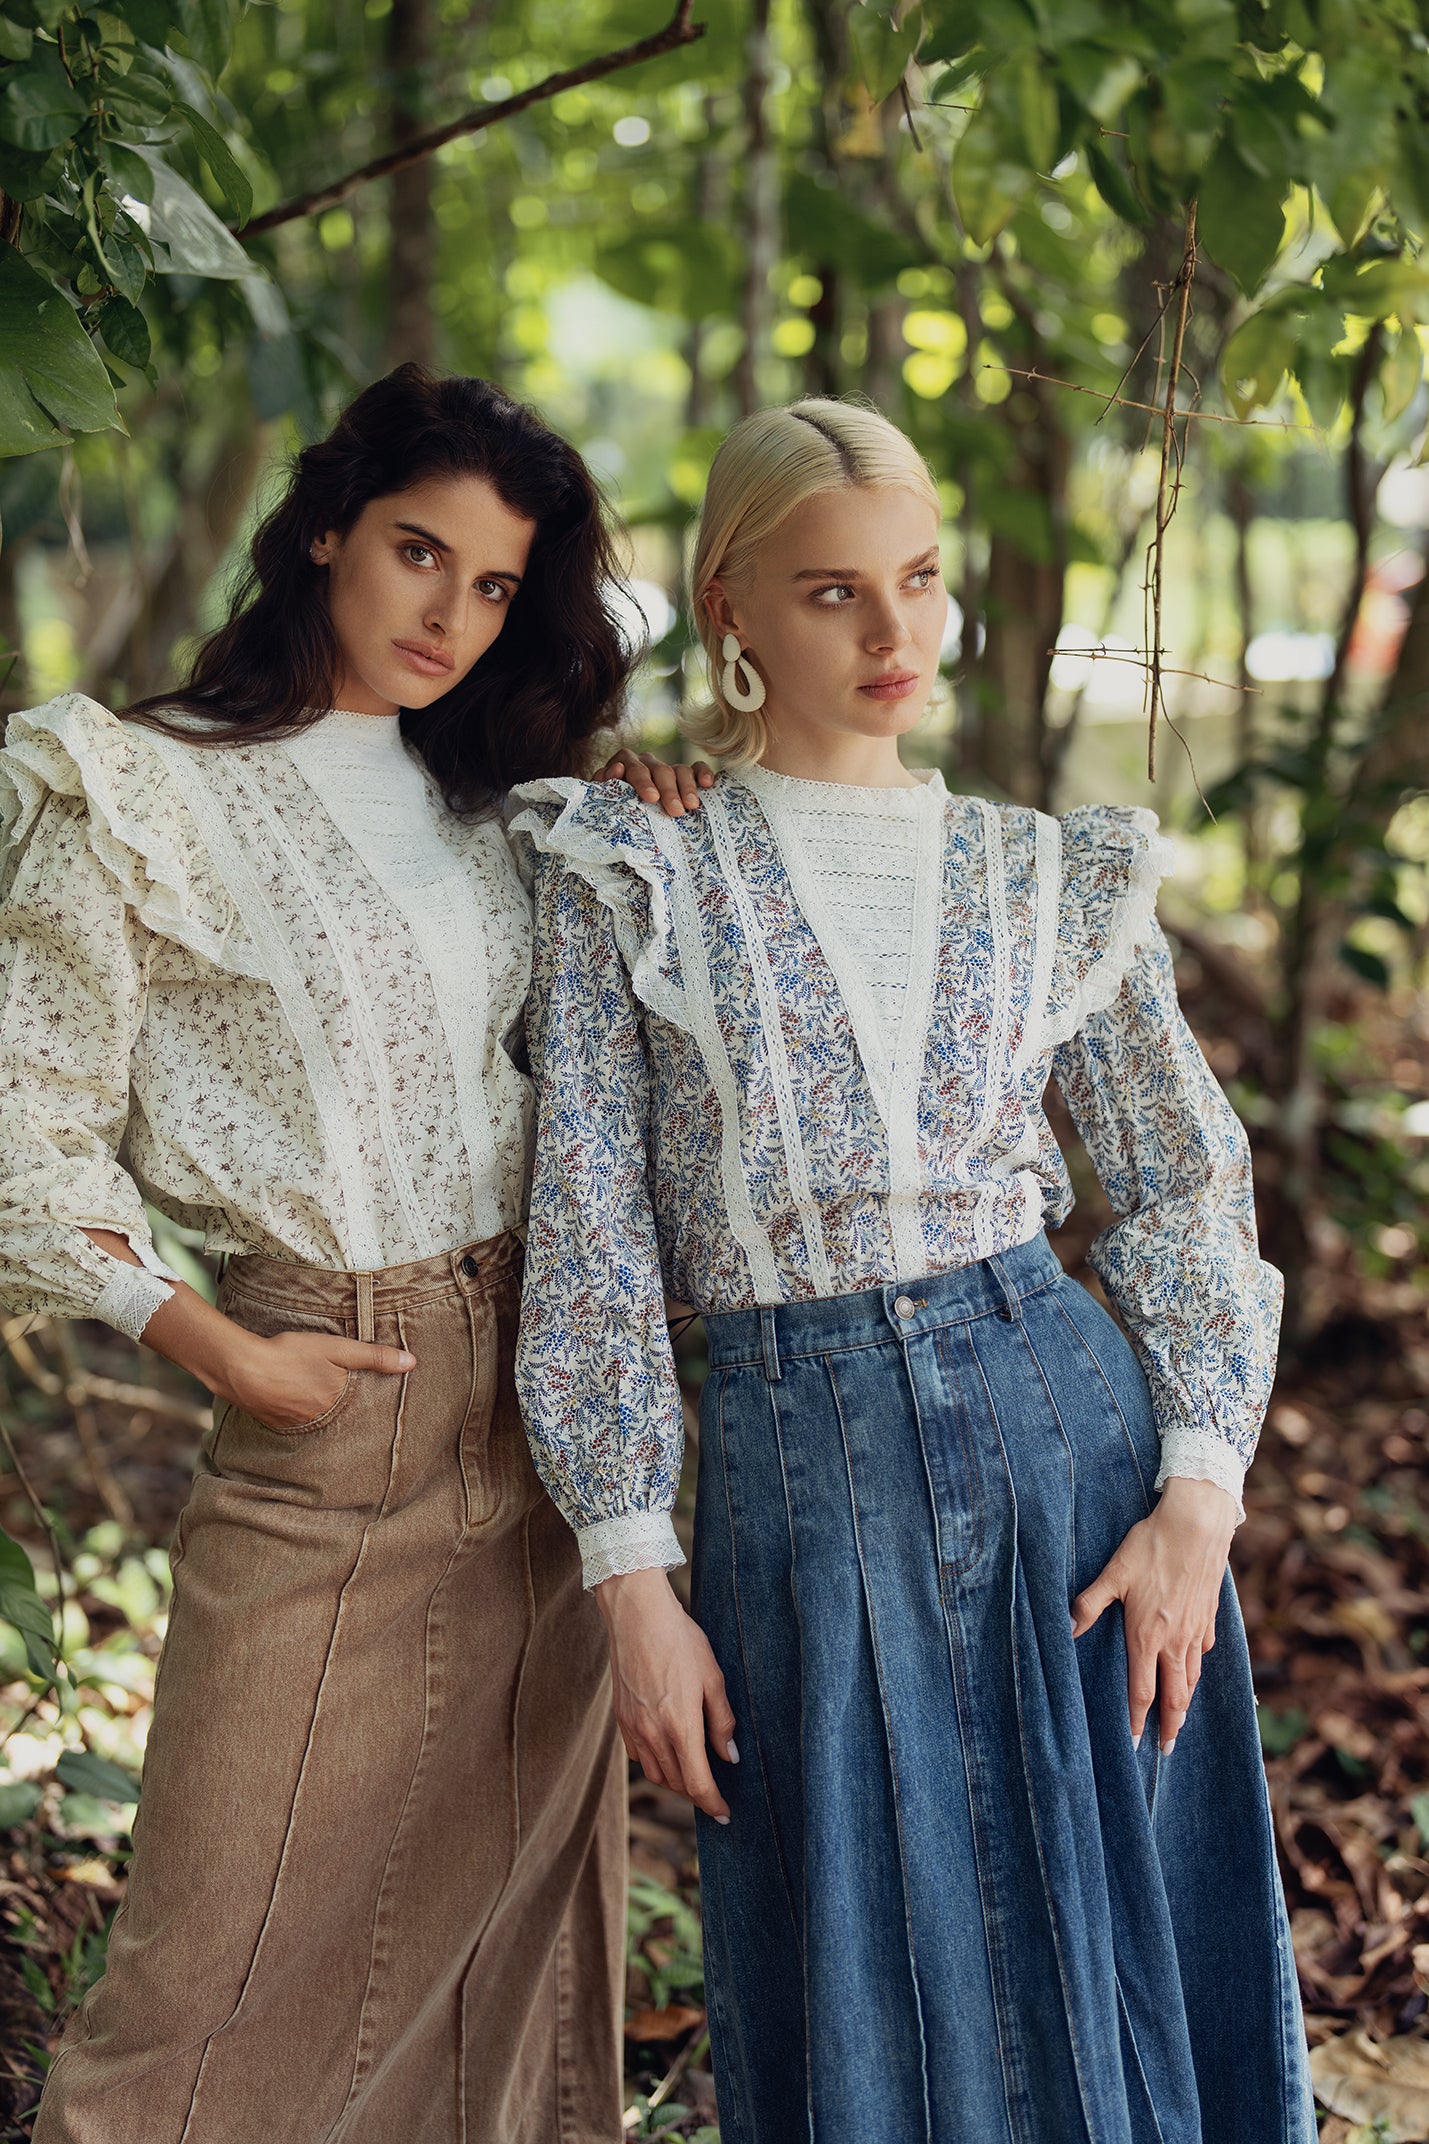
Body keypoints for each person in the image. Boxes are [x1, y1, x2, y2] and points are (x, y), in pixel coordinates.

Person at [510, 399, 1315, 2144]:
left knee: (1116, 1950)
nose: (896, 639)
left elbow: (1179, 1178)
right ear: (726, 606)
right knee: (874, 1984)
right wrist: (628, 1573)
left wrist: (1198, 1495)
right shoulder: (630, 864)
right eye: (832, 595)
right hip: (802, 1473)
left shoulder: (1047, 870)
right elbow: (588, 1239)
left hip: (1068, 1438)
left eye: (922, 583)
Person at [0, 362, 708, 2144]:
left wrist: (666, 807)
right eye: (417, 554)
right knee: (199, 1995)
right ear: (323, 529)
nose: (450, 618)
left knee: (508, 1987)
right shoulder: (134, 786)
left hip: (544, 1417)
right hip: (330, 1407)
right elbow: (20, 1112)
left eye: (491, 588)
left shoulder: (504, 808)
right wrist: (209, 1340)